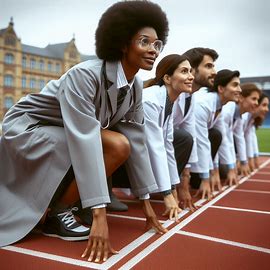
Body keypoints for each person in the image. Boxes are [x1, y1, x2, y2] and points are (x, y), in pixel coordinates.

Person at [0, 0, 169, 262]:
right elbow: (85, 137)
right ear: (123, 43)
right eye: (144, 42)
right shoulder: (84, 74)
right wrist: (99, 215)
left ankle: (64, 205)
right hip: (27, 126)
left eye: (157, 44)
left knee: (122, 143)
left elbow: (137, 141)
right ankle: (59, 213)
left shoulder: (135, 85)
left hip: (62, 130)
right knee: (111, 144)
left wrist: (148, 206)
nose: (153, 50)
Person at [143, 54, 194, 220]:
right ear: (167, 78)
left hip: (139, 156)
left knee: (176, 141)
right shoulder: (150, 100)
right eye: (184, 71)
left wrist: (174, 190)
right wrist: (166, 195)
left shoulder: (169, 102)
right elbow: (155, 148)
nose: (191, 76)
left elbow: (168, 147)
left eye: (191, 71)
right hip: (120, 161)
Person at [190, 69, 242, 199]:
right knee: (211, 136)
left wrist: (229, 168)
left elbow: (223, 140)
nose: (240, 90)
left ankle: (198, 176)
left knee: (216, 134)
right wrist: (206, 178)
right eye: (235, 85)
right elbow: (202, 141)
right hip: (179, 142)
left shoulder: (220, 106)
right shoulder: (203, 104)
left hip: (195, 144)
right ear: (221, 88)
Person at [180, 47, 220, 200]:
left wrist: (186, 179)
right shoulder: (179, 96)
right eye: (208, 66)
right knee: (182, 138)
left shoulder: (191, 97)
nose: (215, 71)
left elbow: (195, 138)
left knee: (189, 137)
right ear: (192, 69)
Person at [218, 83, 261, 184]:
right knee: (225, 173)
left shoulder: (240, 115)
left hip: (220, 147)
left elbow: (239, 138)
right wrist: (231, 167)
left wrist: (244, 161)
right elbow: (225, 139)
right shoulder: (227, 111)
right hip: (209, 146)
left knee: (228, 171)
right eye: (254, 99)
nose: (256, 103)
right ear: (241, 98)